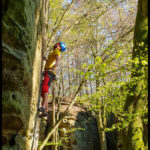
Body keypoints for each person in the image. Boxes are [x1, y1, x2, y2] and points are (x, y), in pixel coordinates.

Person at [38, 41, 66, 118]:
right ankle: (45, 111)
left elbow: (57, 59)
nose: (56, 44)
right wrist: (46, 59)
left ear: (59, 47)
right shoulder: (53, 51)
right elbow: (51, 60)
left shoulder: (57, 51)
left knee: (45, 88)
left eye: (58, 44)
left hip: (50, 72)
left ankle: (43, 107)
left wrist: (55, 65)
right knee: (43, 92)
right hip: (48, 71)